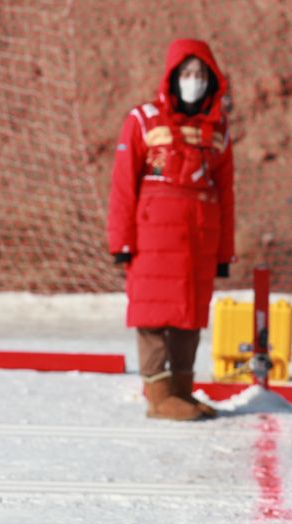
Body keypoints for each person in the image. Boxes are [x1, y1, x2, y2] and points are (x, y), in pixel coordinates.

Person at [107, 38, 235, 421]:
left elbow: (226, 192)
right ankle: (158, 396)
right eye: (186, 74)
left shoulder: (218, 129)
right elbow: (123, 183)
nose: (193, 81)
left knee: (190, 315)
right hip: (152, 238)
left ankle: (181, 391)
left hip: (199, 239)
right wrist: (121, 240)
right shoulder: (143, 119)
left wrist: (224, 251)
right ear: (171, 77)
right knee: (152, 316)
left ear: (212, 82)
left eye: (200, 75)